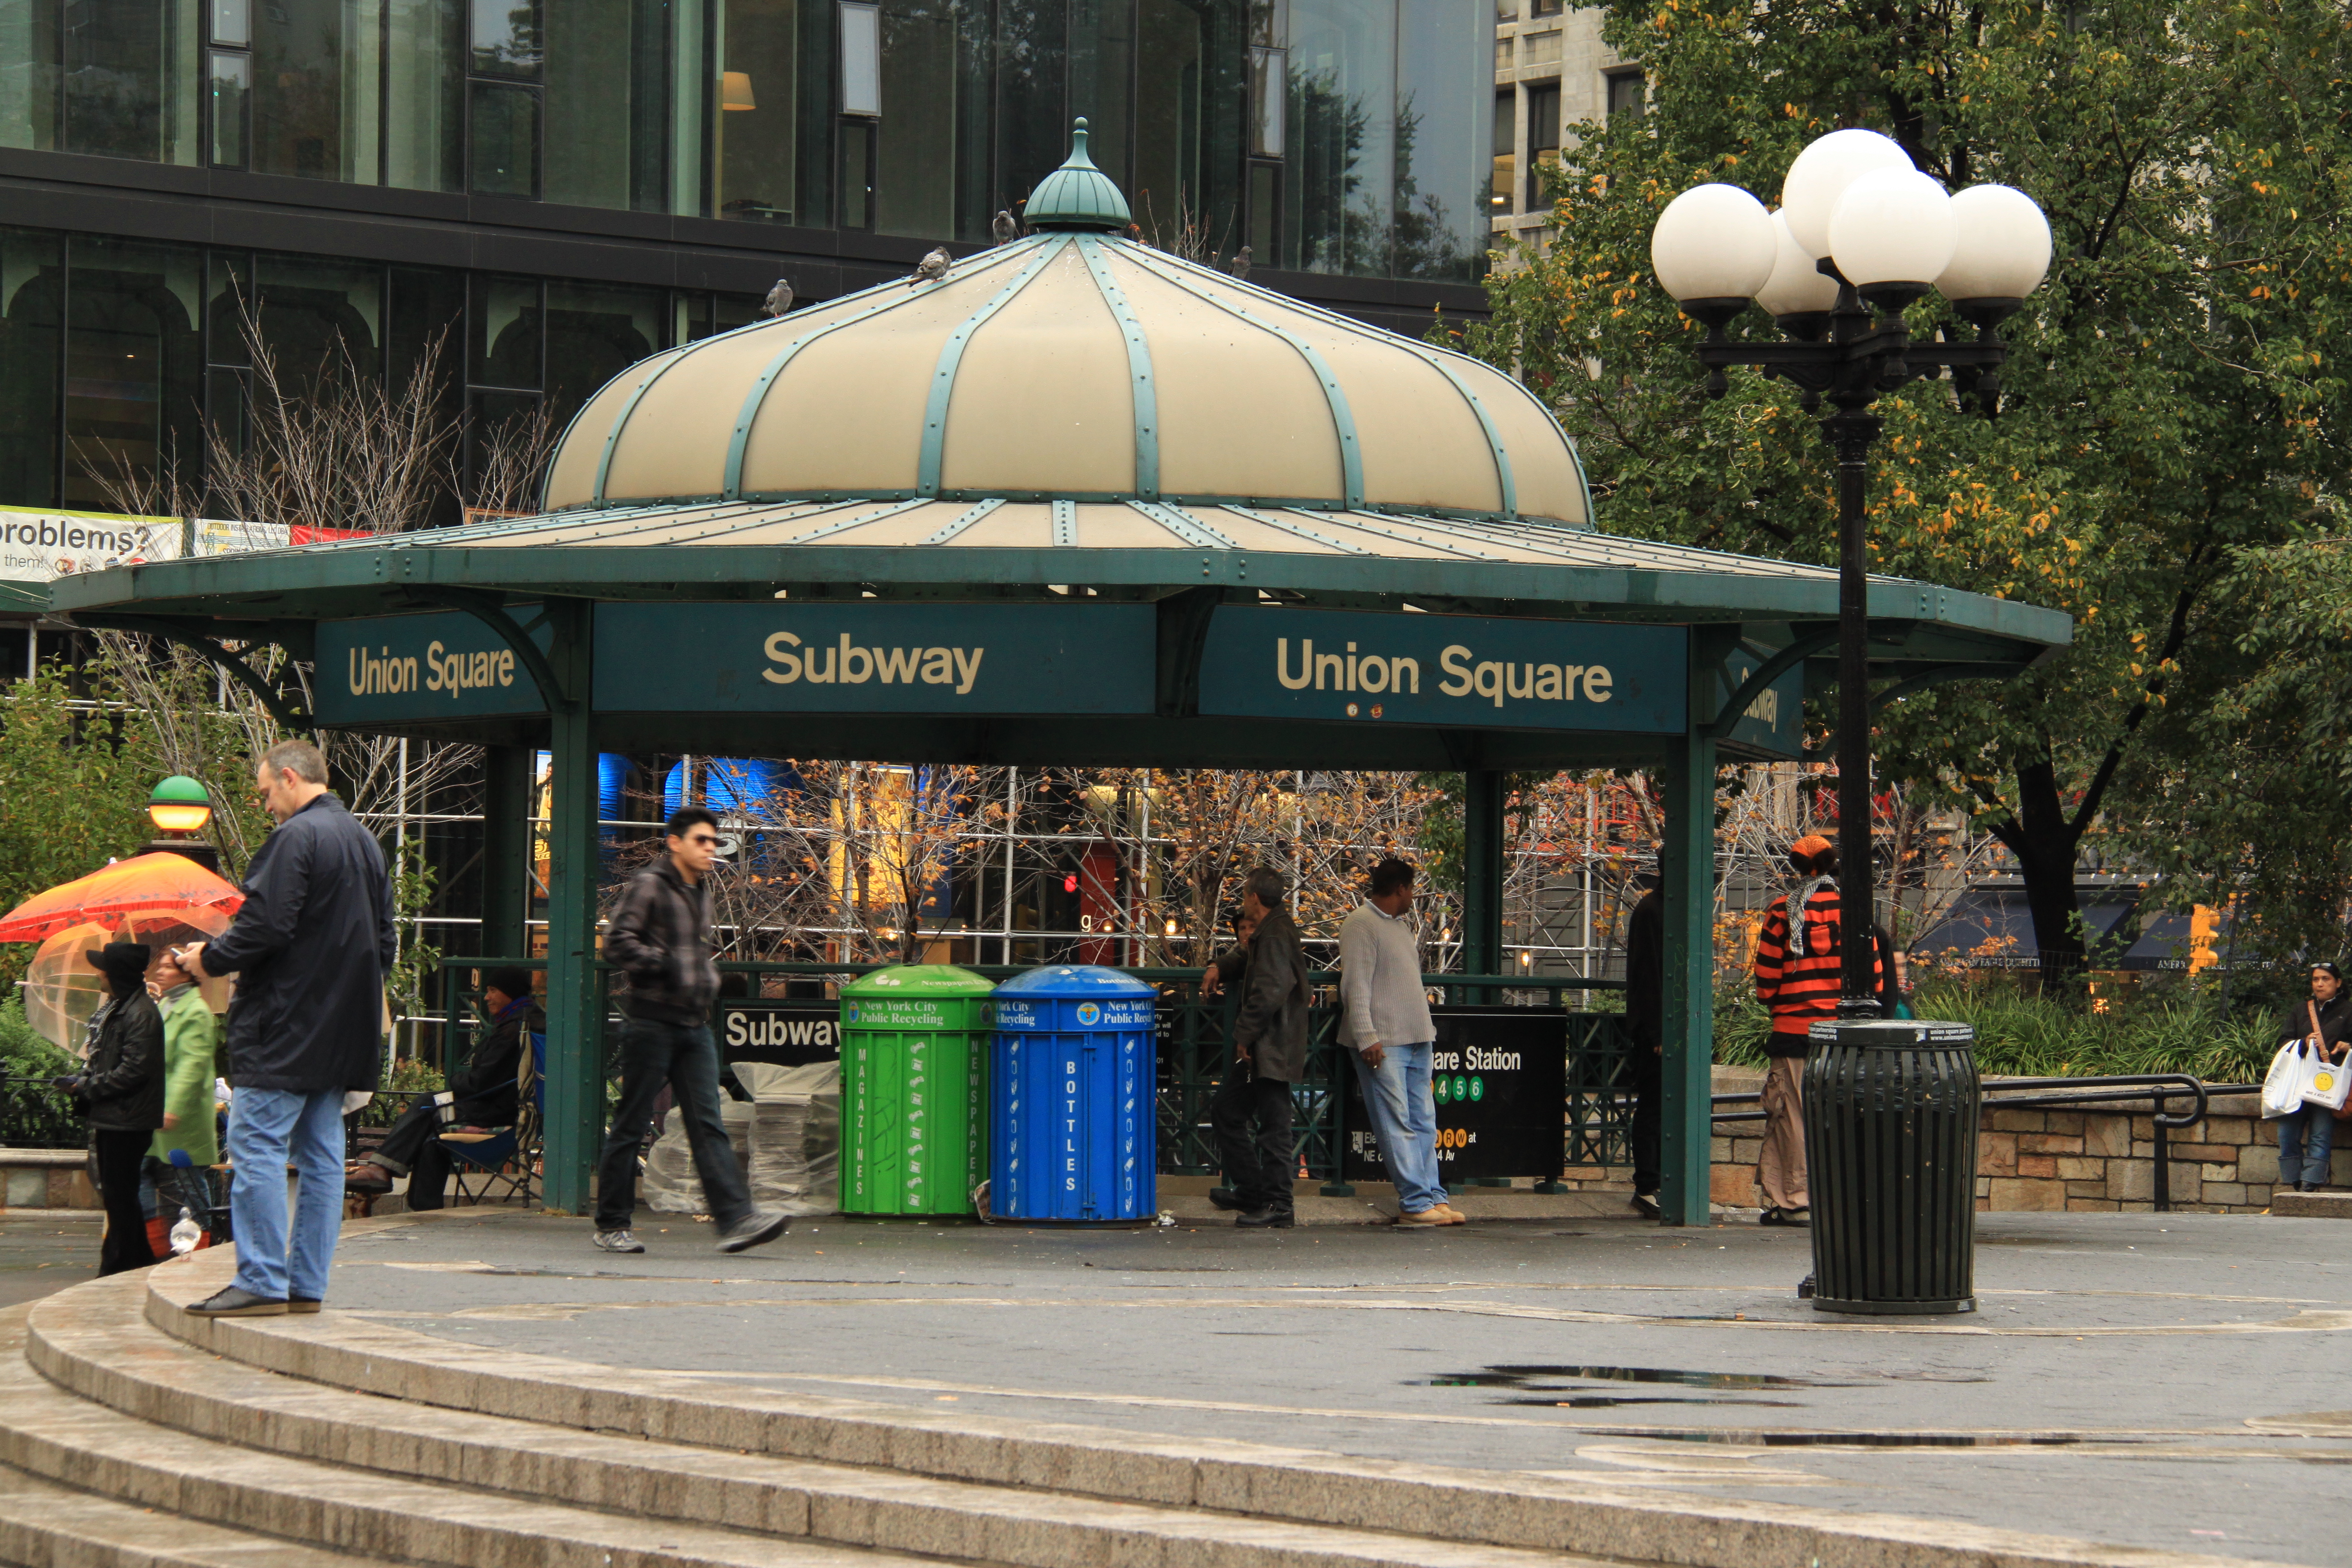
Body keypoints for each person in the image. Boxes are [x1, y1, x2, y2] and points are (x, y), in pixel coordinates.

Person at [181, 738, 397, 1317]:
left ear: (287, 777)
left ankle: (260, 1279)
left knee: (256, 1147)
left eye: (265, 793)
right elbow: (386, 944)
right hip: (341, 1032)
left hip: (283, 1029)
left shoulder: (296, 838)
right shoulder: (365, 843)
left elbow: (265, 927)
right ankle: (305, 1284)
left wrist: (207, 960)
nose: (266, 805)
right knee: (324, 1158)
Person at [594, 806, 788, 1255]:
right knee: (629, 1125)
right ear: (675, 842)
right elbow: (617, 942)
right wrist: (667, 967)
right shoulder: (650, 886)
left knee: (709, 1123)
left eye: (713, 842)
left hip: (692, 1024)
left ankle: (737, 1220)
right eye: (701, 840)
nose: (710, 849)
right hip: (650, 1021)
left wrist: (704, 977)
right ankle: (611, 1223)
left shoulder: (699, 891)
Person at [1749, 834, 1879, 1227]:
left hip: (1794, 1032)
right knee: (1841, 1115)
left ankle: (1795, 1199)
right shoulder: (1853, 911)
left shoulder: (1781, 911)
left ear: (1797, 868)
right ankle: (1841, 1198)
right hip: (1844, 1035)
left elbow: (1765, 984)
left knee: (1794, 1117)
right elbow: (1873, 974)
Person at [347, 965, 539, 1209]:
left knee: (427, 1102)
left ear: (510, 992)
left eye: (493, 990)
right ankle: (421, 1205)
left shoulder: (513, 1030)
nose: (487, 997)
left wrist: (455, 1080)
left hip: (496, 1113)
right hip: (523, 1110)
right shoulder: (530, 1021)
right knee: (432, 1139)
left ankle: (382, 1169)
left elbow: (480, 1082)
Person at [1337, 857, 1460, 1227]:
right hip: (1384, 1040)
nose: (1414, 897)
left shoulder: (1399, 926)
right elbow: (1354, 986)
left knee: (1423, 1119)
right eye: (1412, 889)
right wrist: (1367, 1035)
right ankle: (1414, 1200)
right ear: (1401, 888)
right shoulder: (1361, 924)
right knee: (1397, 1121)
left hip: (1415, 1035)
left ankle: (1432, 1195)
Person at [1200, 867, 1312, 1229]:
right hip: (1269, 1042)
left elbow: (1270, 989)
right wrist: (1219, 965)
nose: (1243, 900)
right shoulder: (1272, 929)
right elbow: (1248, 959)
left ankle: (1279, 1204)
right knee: (1228, 1111)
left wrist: (1244, 1034)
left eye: (1244, 893)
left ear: (1254, 898)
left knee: (1274, 1126)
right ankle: (1253, 1191)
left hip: (1272, 1043)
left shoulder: (1276, 932)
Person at [57, 942, 164, 1275]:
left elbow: (134, 1071)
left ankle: (119, 1266)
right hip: (115, 1116)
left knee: (121, 1197)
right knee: (119, 1197)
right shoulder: (120, 1009)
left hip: (127, 1119)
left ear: (115, 973)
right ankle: (135, 1261)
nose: (99, 972)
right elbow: (111, 1060)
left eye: (103, 967)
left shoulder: (140, 1013)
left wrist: (86, 1087)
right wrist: (83, 1079)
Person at [146, 944, 221, 1246]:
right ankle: (158, 1247)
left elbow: (192, 1065)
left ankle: (201, 1247)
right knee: (162, 1187)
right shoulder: (166, 1005)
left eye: (169, 967)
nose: (161, 971)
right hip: (159, 1115)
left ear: (187, 974)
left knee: (187, 1189)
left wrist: (172, 1108)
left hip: (182, 1120)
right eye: (160, 966)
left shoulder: (197, 1012)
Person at [2275, 961, 2350, 1193]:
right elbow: (2282, 1043)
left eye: (2325, 979)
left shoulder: (2349, 1011)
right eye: (2316, 979)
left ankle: (2309, 1186)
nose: (2320, 984)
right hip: (2297, 1083)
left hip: (2329, 1085)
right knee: (2287, 1133)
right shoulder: (2301, 1010)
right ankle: (2293, 1182)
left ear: (2338, 983)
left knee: (2320, 1134)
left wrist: (2348, 1047)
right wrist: (2302, 1044)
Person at [1620, 874, 1664, 1220]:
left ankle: (1654, 1181)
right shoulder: (1655, 911)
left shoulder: (1653, 908)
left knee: (1656, 1107)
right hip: (1657, 1030)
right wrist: (1656, 1032)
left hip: (1657, 1027)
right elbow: (1649, 976)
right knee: (1654, 1107)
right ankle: (1648, 1184)